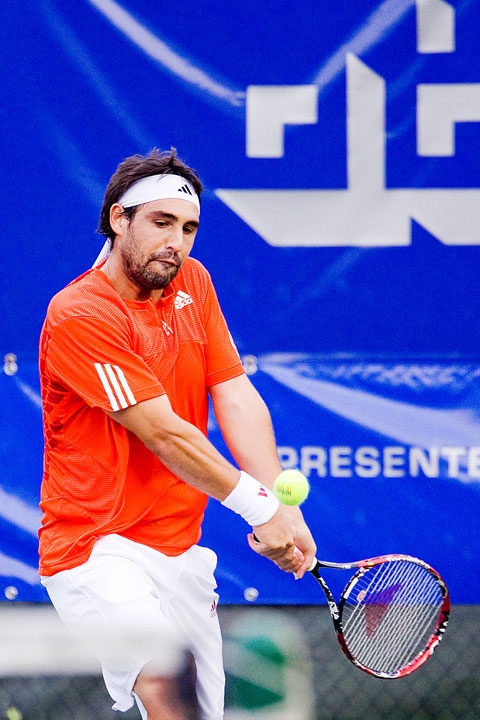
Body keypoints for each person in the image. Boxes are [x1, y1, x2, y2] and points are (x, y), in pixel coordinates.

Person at [38, 148, 316, 720]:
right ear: (119, 219)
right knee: (167, 693)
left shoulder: (194, 281)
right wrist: (259, 507)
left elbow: (234, 393)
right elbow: (165, 434)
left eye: (188, 228)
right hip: (96, 550)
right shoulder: (79, 314)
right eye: (161, 223)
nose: (176, 242)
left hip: (180, 549)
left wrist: (283, 508)